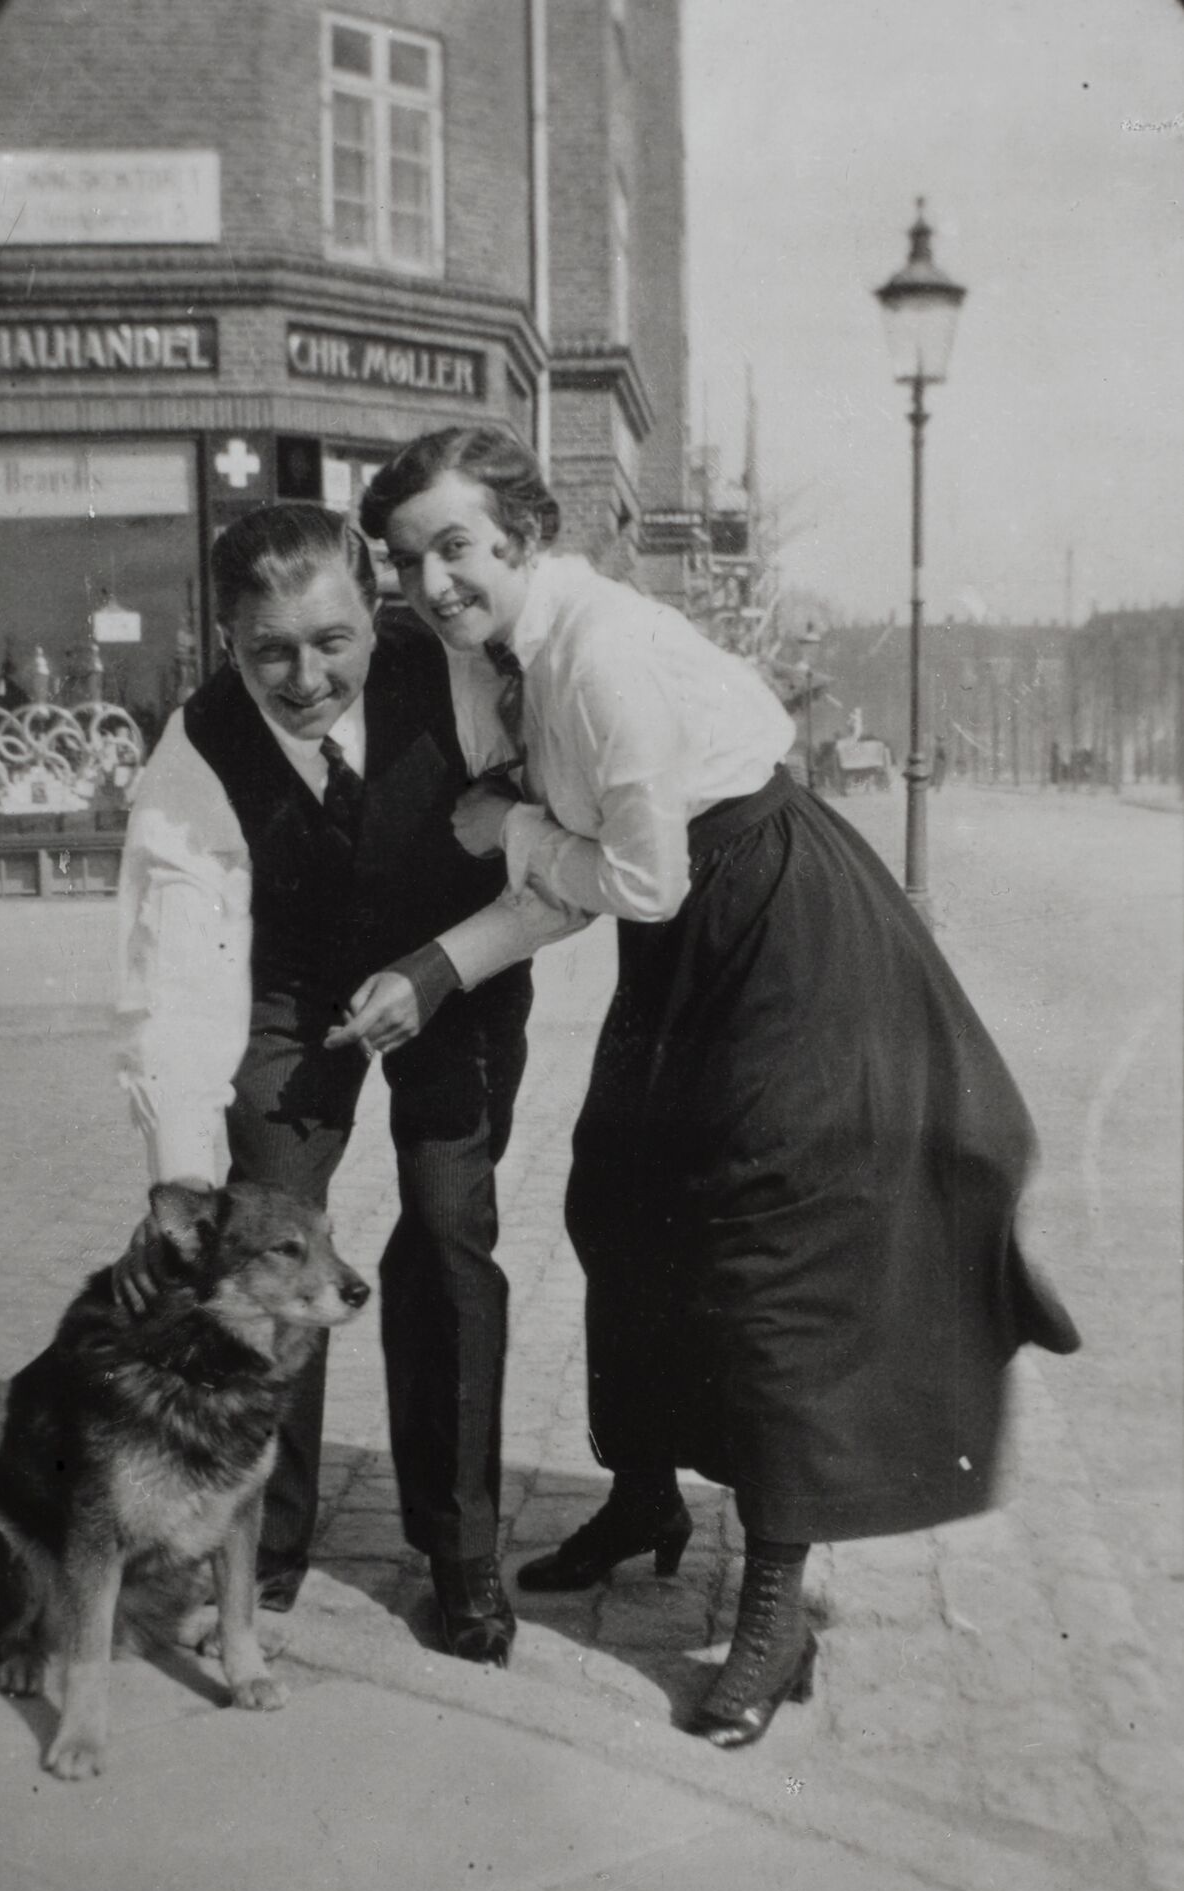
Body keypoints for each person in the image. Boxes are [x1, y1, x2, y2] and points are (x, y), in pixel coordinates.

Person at [333, 425, 1080, 1749]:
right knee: (619, 1201)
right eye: (406, 561)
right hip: (686, 936)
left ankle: (774, 1607)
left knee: (766, 1251)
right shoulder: (506, 659)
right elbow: (582, 877)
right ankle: (645, 1496)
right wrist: (440, 965)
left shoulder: (597, 652)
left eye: (453, 548)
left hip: (778, 934)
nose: (430, 584)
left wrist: (512, 827)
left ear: (522, 535)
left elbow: (632, 873)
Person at [115, 502, 584, 1667]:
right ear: (226, 639)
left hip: (458, 963)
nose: (305, 678)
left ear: (374, 609)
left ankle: (459, 1554)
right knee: (265, 1235)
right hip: (293, 984)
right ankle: (264, 1540)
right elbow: (177, 973)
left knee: (448, 1229)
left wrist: (435, 969)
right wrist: (183, 1185)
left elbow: (558, 871)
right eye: (268, 651)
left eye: (332, 640)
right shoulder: (197, 747)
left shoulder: (466, 677)